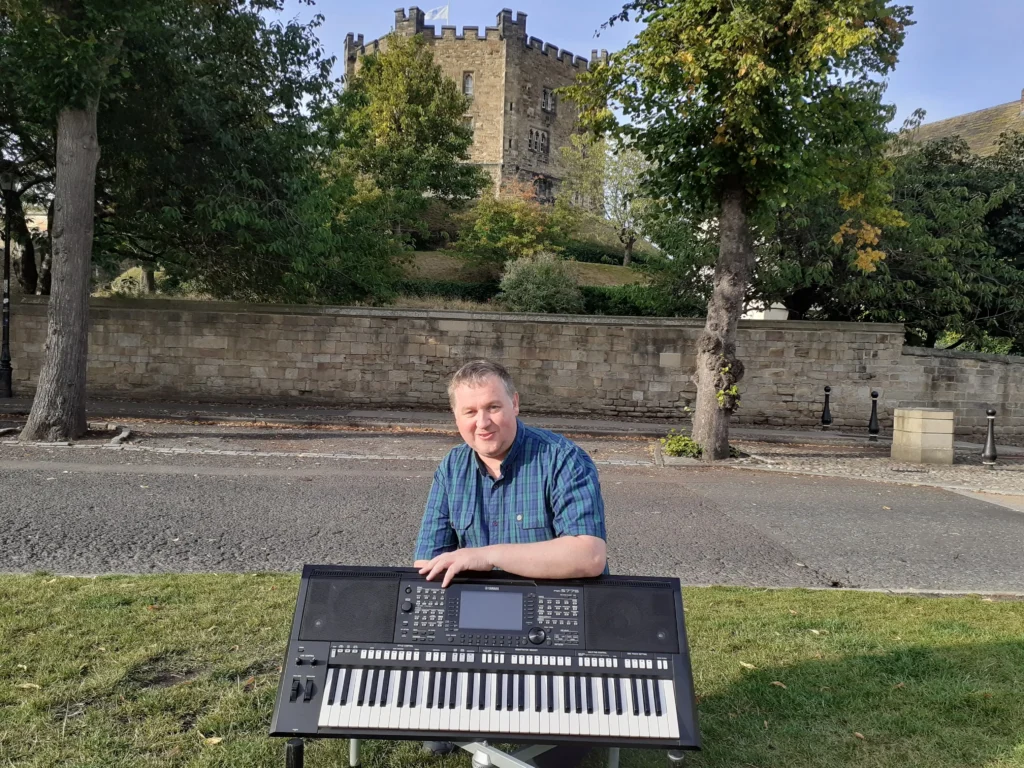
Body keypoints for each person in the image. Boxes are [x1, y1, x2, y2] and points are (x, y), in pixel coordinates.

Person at [413, 359, 608, 758]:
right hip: (479, 621)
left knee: (557, 748)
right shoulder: (451, 468)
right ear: (456, 416)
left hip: (555, 623)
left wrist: (487, 556)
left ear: (515, 404)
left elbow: (589, 555)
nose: (482, 422)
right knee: (435, 733)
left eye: (493, 407)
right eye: (469, 412)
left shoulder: (562, 458)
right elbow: (428, 562)